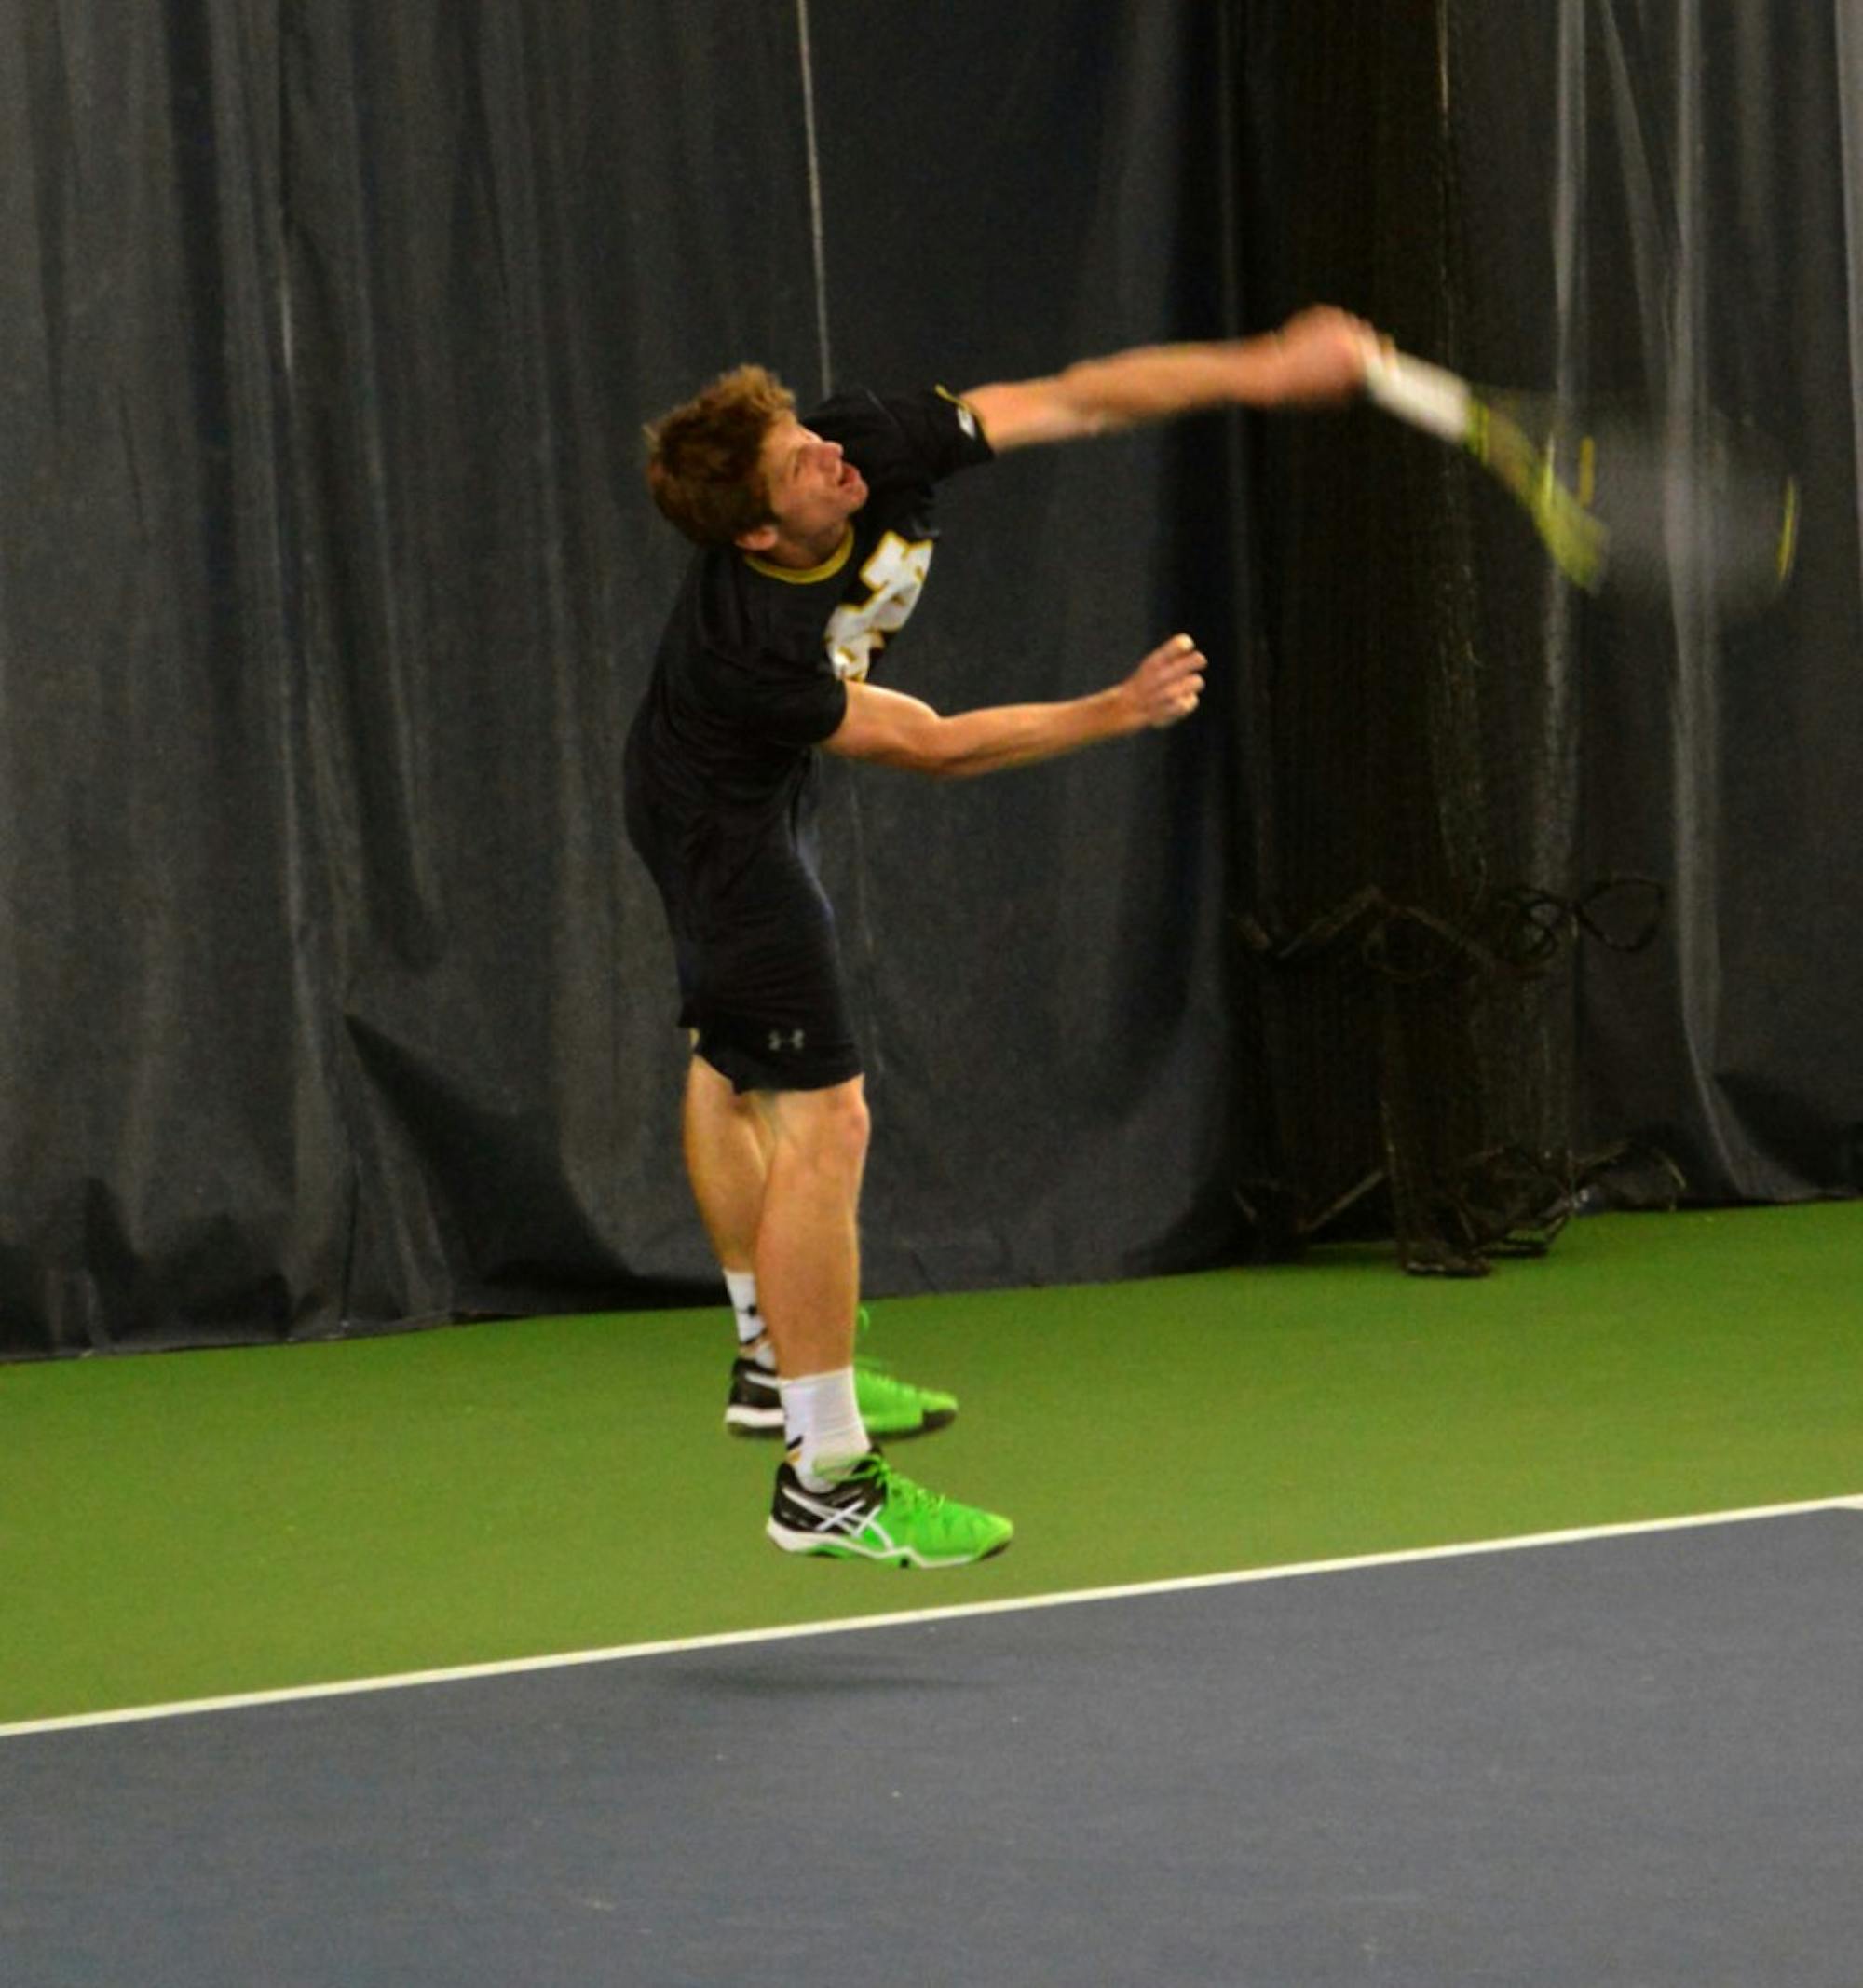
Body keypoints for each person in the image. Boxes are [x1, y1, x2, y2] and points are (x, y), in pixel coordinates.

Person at [624, 306, 1374, 1569]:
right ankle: (824, 1475)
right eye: (794, 463)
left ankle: (769, 1362)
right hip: (715, 828)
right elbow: (927, 745)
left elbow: (1077, 394)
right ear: (757, 531)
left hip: (725, 790)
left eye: (805, 427)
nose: (827, 455)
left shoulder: (870, 440)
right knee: (826, 1112)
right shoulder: (745, 644)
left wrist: (1260, 368)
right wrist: (1114, 710)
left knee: (726, 1057)